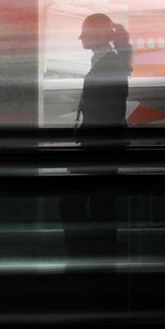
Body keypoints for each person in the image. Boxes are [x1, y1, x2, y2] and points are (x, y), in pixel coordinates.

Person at [61, 13, 132, 258]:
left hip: (98, 146)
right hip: (102, 145)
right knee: (102, 203)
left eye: (85, 32)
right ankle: (98, 251)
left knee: (76, 202)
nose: (80, 37)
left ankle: (84, 250)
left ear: (99, 35)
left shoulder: (107, 66)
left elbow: (106, 110)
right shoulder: (109, 63)